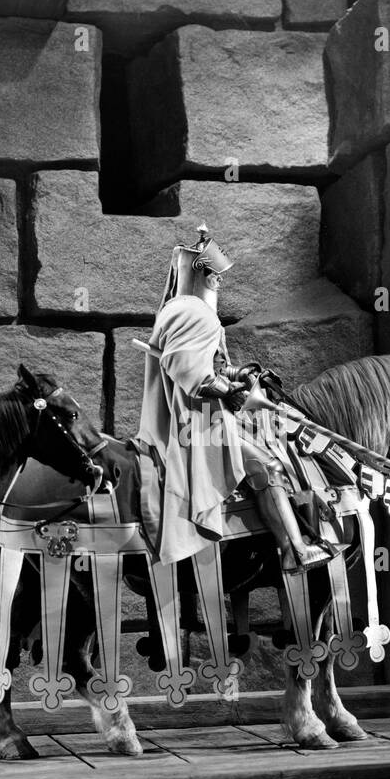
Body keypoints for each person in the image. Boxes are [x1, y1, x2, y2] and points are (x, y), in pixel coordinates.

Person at [136, 225, 334, 572]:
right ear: (199, 274)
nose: (220, 282)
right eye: (215, 276)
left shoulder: (177, 310)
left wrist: (242, 375)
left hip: (203, 419)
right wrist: (234, 392)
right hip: (198, 427)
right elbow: (191, 374)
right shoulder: (194, 314)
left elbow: (210, 365)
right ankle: (295, 551)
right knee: (268, 467)